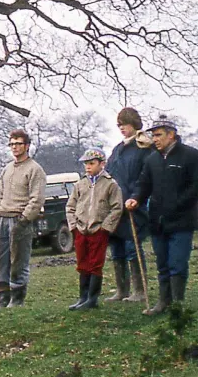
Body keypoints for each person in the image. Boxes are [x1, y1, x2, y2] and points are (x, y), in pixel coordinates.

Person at [126, 115, 198, 315]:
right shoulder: (152, 159)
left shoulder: (191, 156)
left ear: (171, 135)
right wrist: (135, 198)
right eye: (153, 135)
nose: (154, 139)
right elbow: (143, 184)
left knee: (177, 263)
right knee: (162, 263)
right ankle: (163, 302)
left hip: (182, 221)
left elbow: (195, 186)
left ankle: (177, 304)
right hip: (157, 222)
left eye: (158, 135)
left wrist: (178, 204)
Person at [0, 129, 46, 308]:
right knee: (0, 260)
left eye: (18, 143)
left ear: (27, 146)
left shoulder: (34, 169)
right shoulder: (7, 168)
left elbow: (36, 198)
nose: (14, 147)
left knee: (19, 260)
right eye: (12, 144)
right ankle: (2, 297)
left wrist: (24, 219)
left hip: (19, 220)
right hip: (3, 219)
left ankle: (17, 298)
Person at [105, 107, 153, 302]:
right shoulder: (117, 149)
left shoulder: (144, 148)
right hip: (115, 208)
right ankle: (121, 290)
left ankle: (140, 291)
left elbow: (146, 177)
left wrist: (136, 198)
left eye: (125, 124)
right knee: (116, 248)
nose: (122, 128)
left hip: (134, 206)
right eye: (119, 125)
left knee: (132, 247)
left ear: (134, 124)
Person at [66, 148, 123, 310]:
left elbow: (116, 208)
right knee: (82, 262)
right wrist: (74, 225)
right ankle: (82, 297)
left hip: (98, 230)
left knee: (95, 263)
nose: (88, 167)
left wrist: (105, 227)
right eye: (86, 164)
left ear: (102, 164)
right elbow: (70, 206)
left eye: (91, 163)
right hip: (81, 229)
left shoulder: (110, 184)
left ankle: (93, 298)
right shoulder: (80, 184)